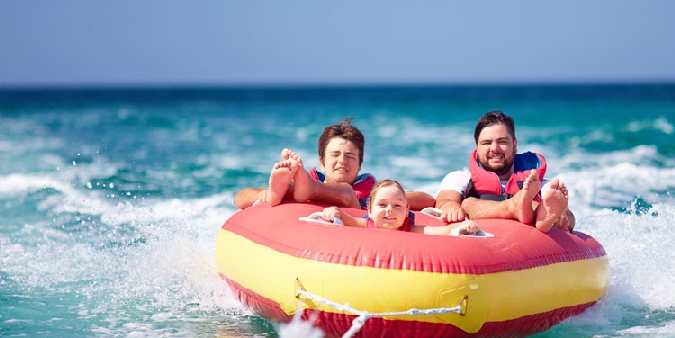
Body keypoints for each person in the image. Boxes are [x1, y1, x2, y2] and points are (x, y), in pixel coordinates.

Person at [233, 119, 435, 210]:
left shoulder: (373, 189)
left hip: (353, 207)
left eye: (350, 156)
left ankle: (308, 191)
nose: (342, 161)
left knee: (347, 193)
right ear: (321, 162)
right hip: (302, 200)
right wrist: (265, 195)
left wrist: (387, 200)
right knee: (290, 189)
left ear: (360, 166)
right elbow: (239, 198)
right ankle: (286, 191)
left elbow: (427, 200)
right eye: (335, 155)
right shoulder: (311, 176)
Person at [434, 111, 575, 233]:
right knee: (467, 204)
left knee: (544, 208)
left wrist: (562, 216)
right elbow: (445, 200)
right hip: (477, 237)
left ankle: (538, 215)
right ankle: (518, 207)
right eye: (487, 143)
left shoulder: (538, 184)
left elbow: (568, 215)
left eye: (502, 142)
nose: (494, 149)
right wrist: (450, 206)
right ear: (477, 147)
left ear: (514, 145)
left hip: (525, 246)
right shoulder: (460, 178)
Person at [319, 180, 482, 235]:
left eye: (397, 206)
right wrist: (336, 212)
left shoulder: (408, 228)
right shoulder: (367, 223)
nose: (389, 209)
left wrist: (461, 225)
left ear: (406, 212)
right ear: (369, 210)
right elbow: (347, 219)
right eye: (382, 204)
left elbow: (438, 231)